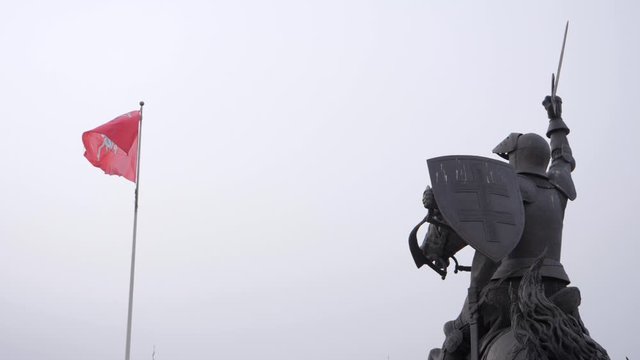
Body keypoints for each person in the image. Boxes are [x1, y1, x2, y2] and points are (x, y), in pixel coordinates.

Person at [426, 95, 578, 360]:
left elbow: (489, 251)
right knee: (578, 336)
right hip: (555, 287)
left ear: (517, 158)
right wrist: (556, 120)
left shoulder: (504, 191)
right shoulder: (559, 187)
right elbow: (563, 158)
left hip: (507, 289)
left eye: (509, 158)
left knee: (454, 342)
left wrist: (475, 289)